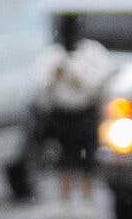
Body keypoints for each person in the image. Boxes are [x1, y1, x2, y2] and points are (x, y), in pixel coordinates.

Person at [40, 11, 114, 203]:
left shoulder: (92, 52)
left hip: (85, 112)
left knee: (87, 159)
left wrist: (80, 80)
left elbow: (103, 79)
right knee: (65, 159)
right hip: (61, 114)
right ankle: (65, 199)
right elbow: (40, 86)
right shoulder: (53, 54)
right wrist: (53, 77)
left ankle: (87, 198)